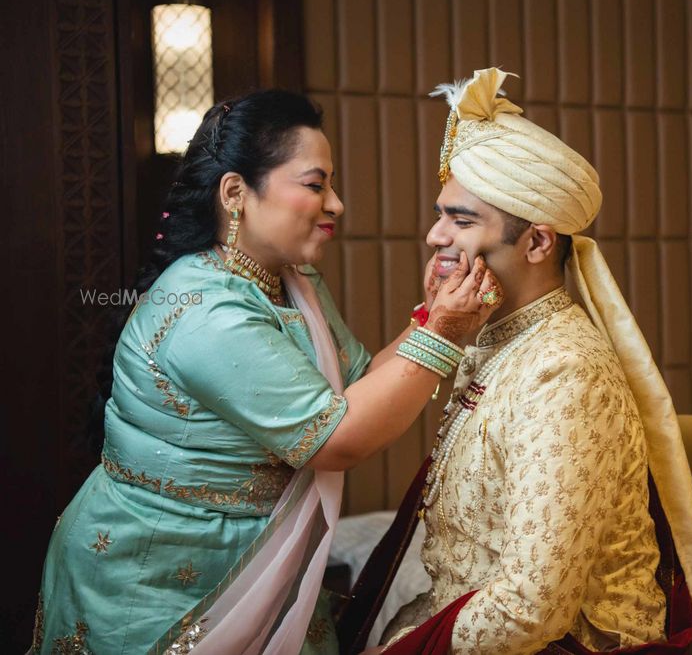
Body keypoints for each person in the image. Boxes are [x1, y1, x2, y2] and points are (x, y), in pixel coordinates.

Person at [30, 89, 503, 655]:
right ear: (236, 193)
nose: (336, 204)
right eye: (315, 184)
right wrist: (444, 333)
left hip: (248, 558)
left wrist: (429, 316)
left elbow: (356, 388)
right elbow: (336, 439)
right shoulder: (207, 310)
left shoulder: (289, 282)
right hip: (157, 574)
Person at [355, 69, 692, 655]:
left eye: (461, 220)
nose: (433, 236)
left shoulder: (563, 372)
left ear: (536, 243)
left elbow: (533, 608)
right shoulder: (492, 338)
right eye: (440, 213)